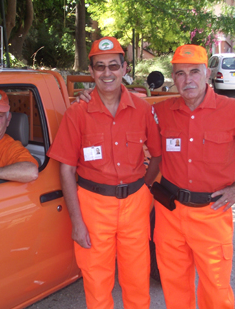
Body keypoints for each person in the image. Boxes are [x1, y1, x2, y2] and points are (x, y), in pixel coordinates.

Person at [152, 45, 235, 309]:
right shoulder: (161, 111)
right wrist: (92, 96)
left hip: (211, 213)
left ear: (208, 73)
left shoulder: (234, 111)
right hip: (169, 212)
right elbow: (125, 113)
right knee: (174, 287)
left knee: (216, 291)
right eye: (180, 73)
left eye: (194, 71)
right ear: (173, 77)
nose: (187, 79)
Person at [47, 36, 162, 309]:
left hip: (135, 205)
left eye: (113, 66)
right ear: (91, 72)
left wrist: (143, 190)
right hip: (93, 207)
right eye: (100, 67)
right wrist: (77, 221)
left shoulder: (143, 110)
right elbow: (66, 169)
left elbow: (156, 156)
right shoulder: (77, 113)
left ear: (124, 69)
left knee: (137, 280)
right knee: (97, 284)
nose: (107, 73)